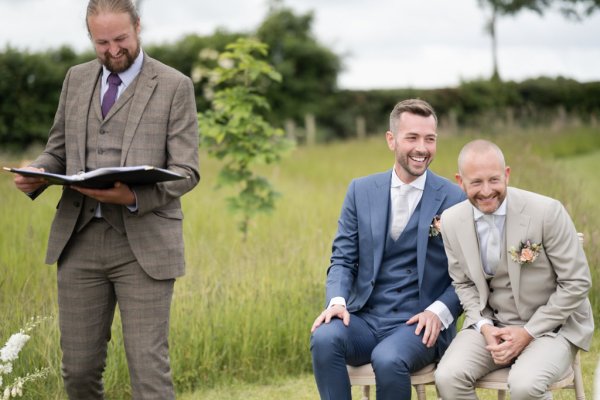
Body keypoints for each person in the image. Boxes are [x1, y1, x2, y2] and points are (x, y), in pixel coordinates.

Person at [11, 0, 199, 399]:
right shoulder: (75, 80)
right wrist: (39, 172)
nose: (113, 50)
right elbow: (56, 150)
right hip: (79, 241)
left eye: (121, 39)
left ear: (138, 27)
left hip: (144, 244)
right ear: (89, 37)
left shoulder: (174, 85)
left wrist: (132, 195)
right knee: (78, 371)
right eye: (102, 43)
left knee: (148, 371)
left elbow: (187, 171)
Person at [310, 99, 466, 400]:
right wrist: (337, 302)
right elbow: (343, 257)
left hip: (420, 323)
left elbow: (467, 273)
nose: (422, 148)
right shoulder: (361, 190)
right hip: (366, 318)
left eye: (429, 139)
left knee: (387, 357)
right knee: (325, 336)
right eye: (412, 138)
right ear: (391, 140)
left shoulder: (453, 197)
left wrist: (439, 312)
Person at [435, 139, 593, 400]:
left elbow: (576, 282)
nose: (486, 191)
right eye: (476, 182)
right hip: (491, 324)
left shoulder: (547, 212)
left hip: (551, 328)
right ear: (460, 181)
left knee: (524, 385)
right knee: (447, 377)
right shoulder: (451, 221)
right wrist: (485, 327)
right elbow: (463, 284)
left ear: (506, 174)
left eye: (494, 180)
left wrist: (527, 333)